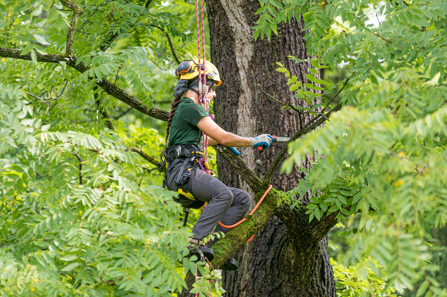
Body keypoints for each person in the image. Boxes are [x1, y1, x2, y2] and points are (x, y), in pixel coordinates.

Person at [163, 60, 274, 270]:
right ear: (201, 85)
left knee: (241, 199)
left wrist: (225, 142)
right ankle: (193, 243)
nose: (213, 94)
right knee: (224, 194)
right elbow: (222, 136)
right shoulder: (191, 108)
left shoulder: (188, 110)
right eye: (212, 88)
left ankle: (211, 245)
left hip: (185, 173)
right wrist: (251, 140)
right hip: (182, 173)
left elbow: (206, 140)